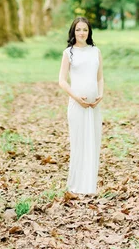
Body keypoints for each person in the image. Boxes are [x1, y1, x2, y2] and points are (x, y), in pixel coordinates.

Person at [58, 16, 104, 195]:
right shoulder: (68, 53)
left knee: (93, 142)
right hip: (77, 105)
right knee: (79, 143)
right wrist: (77, 98)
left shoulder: (96, 51)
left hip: (94, 106)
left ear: (89, 32)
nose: (82, 33)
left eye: (85, 29)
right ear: (73, 32)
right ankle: (76, 185)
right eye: (78, 30)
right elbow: (62, 80)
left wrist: (100, 94)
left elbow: (99, 77)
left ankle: (90, 185)